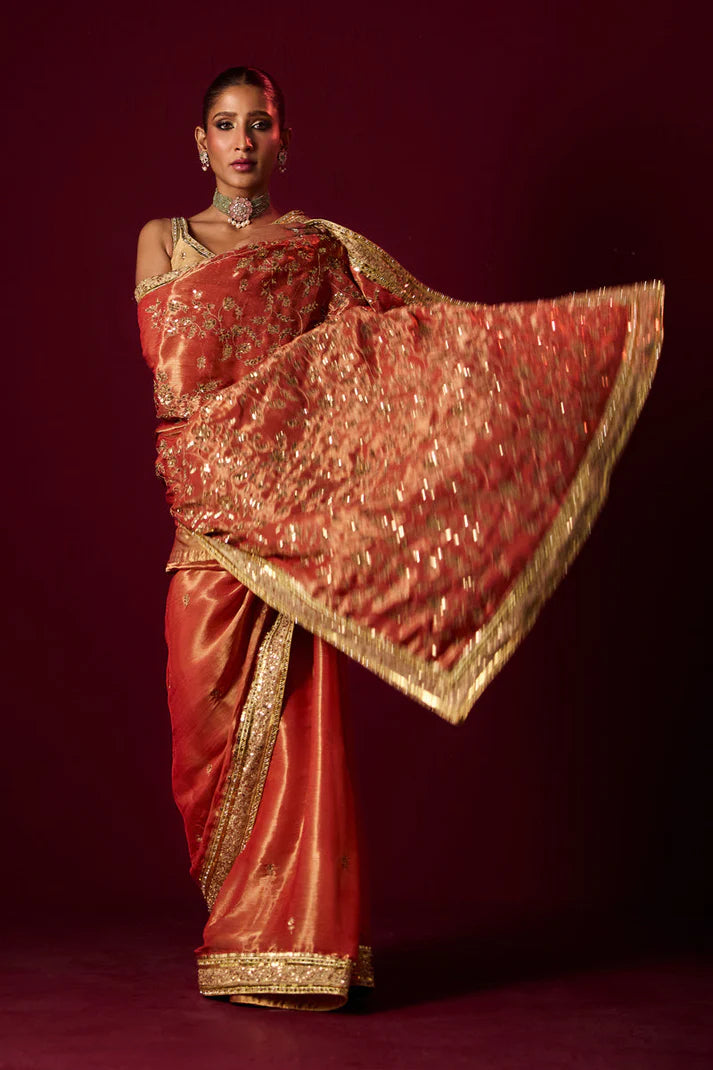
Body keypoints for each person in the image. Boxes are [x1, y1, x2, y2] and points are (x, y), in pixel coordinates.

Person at [135, 66, 663, 1011]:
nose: (243, 140)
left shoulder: (315, 251)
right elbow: (175, 382)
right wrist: (234, 444)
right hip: (206, 528)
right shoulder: (161, 241)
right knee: (200, 743)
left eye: (260, 124)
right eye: (225, 123)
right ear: (199, 141)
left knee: (292, 740)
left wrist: (528, 372)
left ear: (283, 141)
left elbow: (390, 352)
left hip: (287, 536)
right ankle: (238, 926)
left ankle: (290, 952)